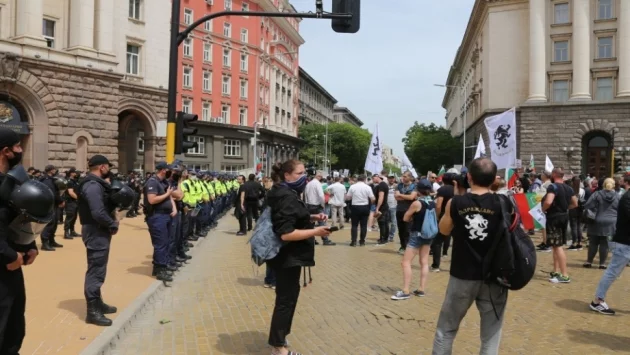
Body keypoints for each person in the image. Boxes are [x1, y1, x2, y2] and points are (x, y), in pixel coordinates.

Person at [432, 158, 512, 354]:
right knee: (491, 334)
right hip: (495, 275)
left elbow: (443, 229)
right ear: (494, 179)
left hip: (462, 273)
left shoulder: (456, 202)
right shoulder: (504, 203)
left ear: (468, 177)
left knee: (446, 329)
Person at [266, 160, 330, 355]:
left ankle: (280, 339)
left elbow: (291, 217)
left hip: (288, 257)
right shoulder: (286, 196)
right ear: (287, 175)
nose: (303, 177)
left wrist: (312, 218)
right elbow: (286, 233)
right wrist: (315, 232)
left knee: (288, 299)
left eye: (304, 173)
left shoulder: (284, 192)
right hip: (287, 256)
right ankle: (279, 347)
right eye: (299, 173)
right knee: (286, 301)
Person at [0, 128, 55, 353]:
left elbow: (21, 216)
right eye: (18, 146)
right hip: (6, 260)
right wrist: (9, 255)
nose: (22, 150)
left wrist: (29, 245)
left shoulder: (13, 181)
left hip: (12, 267)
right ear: (5, 151)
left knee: (13, 323)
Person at [77, 155, 120, 326]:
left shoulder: (95, 184)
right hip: (96, 231)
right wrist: (112, 224)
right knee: (96, 270)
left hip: (98, 230)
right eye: (107, 167)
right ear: (102, 167)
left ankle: (98, 303)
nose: (109, 169)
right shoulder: (93, 186)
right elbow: (97, 212)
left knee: (99, 268)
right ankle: (92, 311)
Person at [589, 174, 630, 315]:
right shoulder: (626, 197)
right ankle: (597, 301)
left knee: (611, 269)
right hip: (625, 242)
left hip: (620, 236)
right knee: (612, 271)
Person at [391, 179, 435, 300]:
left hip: (417, 234)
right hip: (428, 234)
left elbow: (405, 218)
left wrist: (411, 218)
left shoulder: (417, 203)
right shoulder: (432, 202)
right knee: (424, 262)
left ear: (418, 190)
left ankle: (405, 291)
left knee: (405, 262)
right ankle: (421, 289)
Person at [543, 168, 578, 283]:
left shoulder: (553, 187)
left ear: (554, 175)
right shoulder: (569, 188)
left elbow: (548, 201)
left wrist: (543, 209)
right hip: (564, 216)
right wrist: (565, 208)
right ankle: (556, 271)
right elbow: (575, 203)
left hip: (554, 218)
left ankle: (564, 275)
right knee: (556, 245)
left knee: (558, 247)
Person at [144, 162, 176, 282]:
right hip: (157, 216)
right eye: (168, 170)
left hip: (165, 215)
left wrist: (173, 207)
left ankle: (158, 266)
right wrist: (167, 193)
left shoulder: (164, 182)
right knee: (160, 243)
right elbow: (152, 200)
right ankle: (160, 269)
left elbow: (172, 196)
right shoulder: (153, 181)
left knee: (165, 242)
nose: (170, 172)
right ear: (163, 170)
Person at [583, 178, 619, 269]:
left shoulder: (597, 194)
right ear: (614, 185)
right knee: (605, 243)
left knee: (593, 242)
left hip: (596, 220)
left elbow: (588, 205)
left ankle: (589, 261)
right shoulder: (618, 196)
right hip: (611, 222)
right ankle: (602, 263)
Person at [39, 165, 64, 251]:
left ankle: (51, 240)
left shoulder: (49, 179)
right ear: (50, 171)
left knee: (54, 222)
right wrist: (60, 201)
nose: (55, 171)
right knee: (50, 223)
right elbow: (53, 193)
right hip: (50, 204)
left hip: (53, 204)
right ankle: (45, 243)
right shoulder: (47, 180)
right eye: (54, 169)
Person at [346, 175, 375, 246]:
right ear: (365, 179)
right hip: (365, 207)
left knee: (354, 225)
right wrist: (370, 204)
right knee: (364, 225)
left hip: (355, 207)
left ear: (357, 179)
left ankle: (353, 241)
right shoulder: (368, 187)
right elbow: (373, 198)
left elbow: (348, 198)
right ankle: (362, 241)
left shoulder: (352, 187)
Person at [395, 171, 418, 254]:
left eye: (405, 176)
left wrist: (401, 195)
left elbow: (412, 197)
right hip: (399, 210)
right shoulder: (399, 185)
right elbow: (396, 197)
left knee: (408, 230)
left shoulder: (414, 186)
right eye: (402, 176)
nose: (403, 178)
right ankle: (402, 246)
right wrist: (406, 197)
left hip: (410, 211)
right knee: (401, 230)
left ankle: (409, 247)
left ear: (410, 177)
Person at [63, 168, 81, 239]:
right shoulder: (69, 181)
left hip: (75, 202)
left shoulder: (75, 181)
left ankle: (72, 231)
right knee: (69, 217)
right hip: (70, 202)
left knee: (74, 217)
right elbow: (71, 192)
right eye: (75, 172)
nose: (76, 174)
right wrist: (78, 198)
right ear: (71, 173)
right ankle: (66, 232)